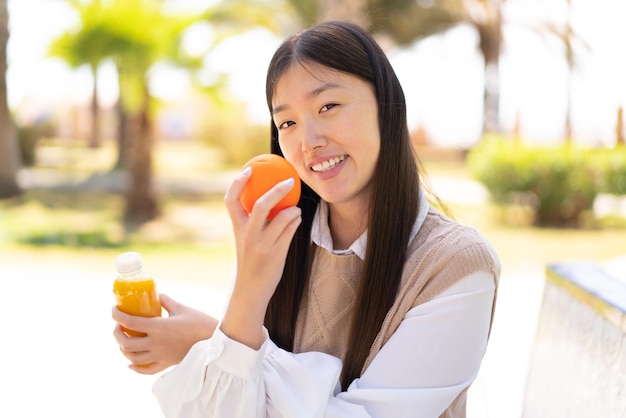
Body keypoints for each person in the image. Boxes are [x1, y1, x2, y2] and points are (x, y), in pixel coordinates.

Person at [112, 20, 501, 418]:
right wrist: (246, 295)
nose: (308, 141)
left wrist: (212, 341)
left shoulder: (455, 266)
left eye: (328, 106)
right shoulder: (278, 239)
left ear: (386, 106)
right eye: (287, 123)